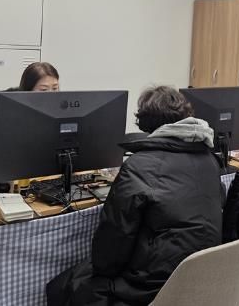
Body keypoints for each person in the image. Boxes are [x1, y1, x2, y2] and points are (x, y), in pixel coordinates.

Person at [47, 86, 223, 306]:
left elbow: (112, 245)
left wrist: (101, 271)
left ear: (145, 123)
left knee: (61, 286)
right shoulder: (210, 160)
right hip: (202, 275)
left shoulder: (139, 165)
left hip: (154, 284)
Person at [0, 62, 60, 176]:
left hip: (51, 180)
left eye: (55, 88)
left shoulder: (64, 116)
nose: (51, 95)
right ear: (27, 91)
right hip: (13, 182)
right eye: (43, 90)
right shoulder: (3, 114)